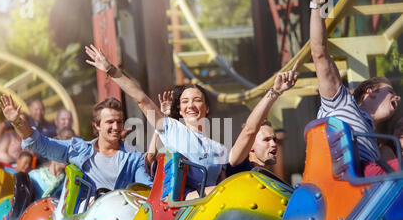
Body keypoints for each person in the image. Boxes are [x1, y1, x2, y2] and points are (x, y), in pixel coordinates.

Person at [85, 45, 298, 198]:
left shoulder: (218, 149)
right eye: (185, 101)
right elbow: (141, 99)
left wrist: (274, 93)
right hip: (179, 208)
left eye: (197, 100)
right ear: (180, 109)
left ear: (206, 108)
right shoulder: (171, 128)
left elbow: (250, 131)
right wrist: (111, 71)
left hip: (211, 210)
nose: (191, 105)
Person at [310, 0, 400, 176]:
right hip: (345, 185)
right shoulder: (342, 103)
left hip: (365, 192)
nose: (398, 97)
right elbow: (319, 52)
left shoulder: (374, 139)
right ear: (370, 91)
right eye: (390, 92)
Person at [0, 95, 153, 196]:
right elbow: (39, 143)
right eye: (110, 122)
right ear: (97, 125)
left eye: (119, 122)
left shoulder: (133, 159)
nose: (116, 127)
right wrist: (18, 122)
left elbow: (147, 190)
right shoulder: (78, 150)